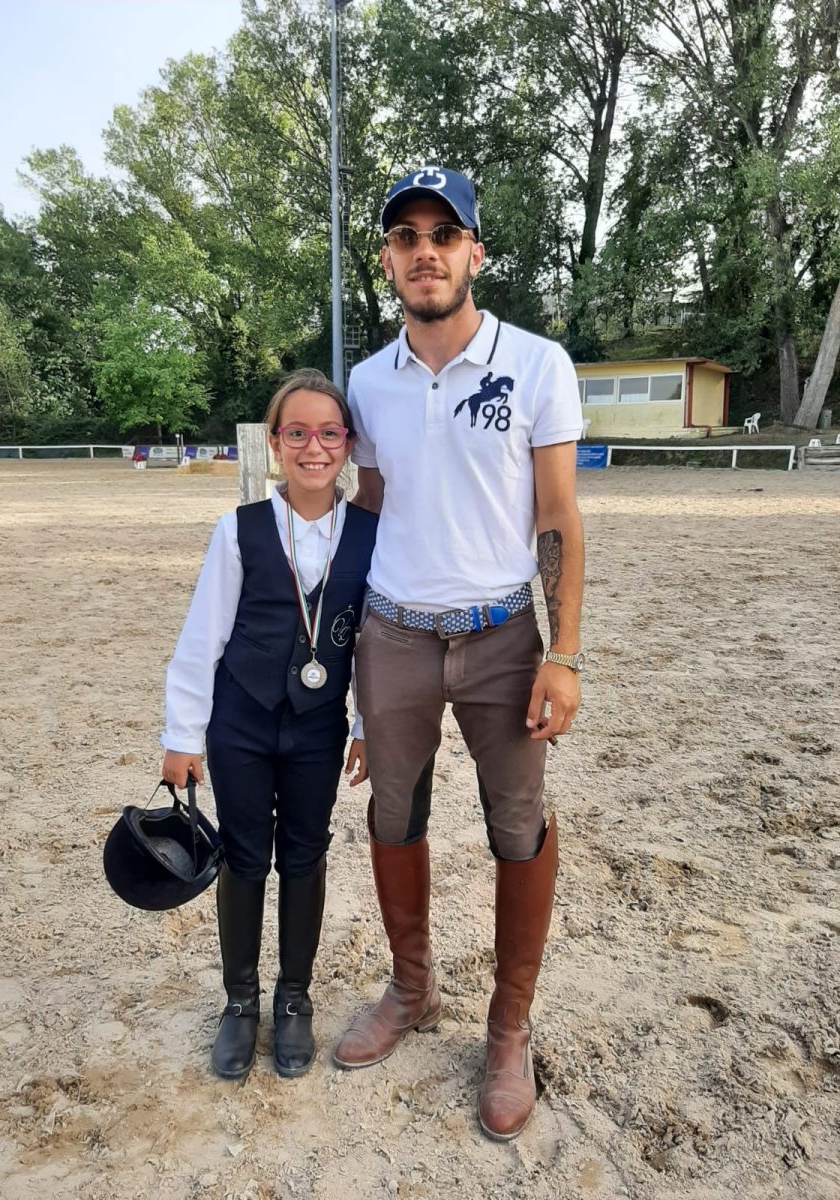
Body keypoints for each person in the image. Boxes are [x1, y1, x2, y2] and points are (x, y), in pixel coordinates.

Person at [332, 167, 585, 1142]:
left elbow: (557, 517)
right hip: (393, 635)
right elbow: (366, 510)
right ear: (388, 259)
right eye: (406, 236)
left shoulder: (537, 364)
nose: (425, 251)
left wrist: (564, 653)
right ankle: (413, 989)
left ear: (475, 252)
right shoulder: (366, 383)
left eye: (444, 234)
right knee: (393, 814)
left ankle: (509, 1027)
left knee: (517, 826)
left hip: (501, 638)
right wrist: (348, 664)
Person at [160, 369, 376, 1082]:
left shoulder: (371, 536)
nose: (314, 447)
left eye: (329, 433)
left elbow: (374, 647)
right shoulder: (240, 529)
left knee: (305, 856)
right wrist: (182, 736)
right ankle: (240, 1000)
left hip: (318, 729)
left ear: (348, 444)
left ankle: (293, 998)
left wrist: (366, 726)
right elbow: (203, 637)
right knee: (245, 855)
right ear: (276, 443)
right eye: (298, 433)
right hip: (241, 725)